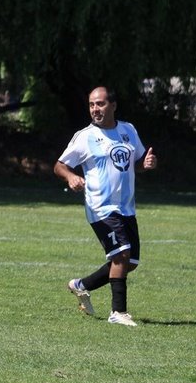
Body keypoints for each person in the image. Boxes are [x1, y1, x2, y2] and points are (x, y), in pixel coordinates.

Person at [54, 86, 157, 327]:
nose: (95, 109)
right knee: (121, 254)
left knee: (130, 262)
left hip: (126, 207)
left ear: (113, 105)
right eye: (91, 104)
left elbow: (136, 162)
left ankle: (81, 285)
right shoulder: (85, 136)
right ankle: (118, 312)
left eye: (100, 104)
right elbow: (59, 166)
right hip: (100, 207)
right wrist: (71, 177)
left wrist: (146, 164)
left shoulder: (128, 130)